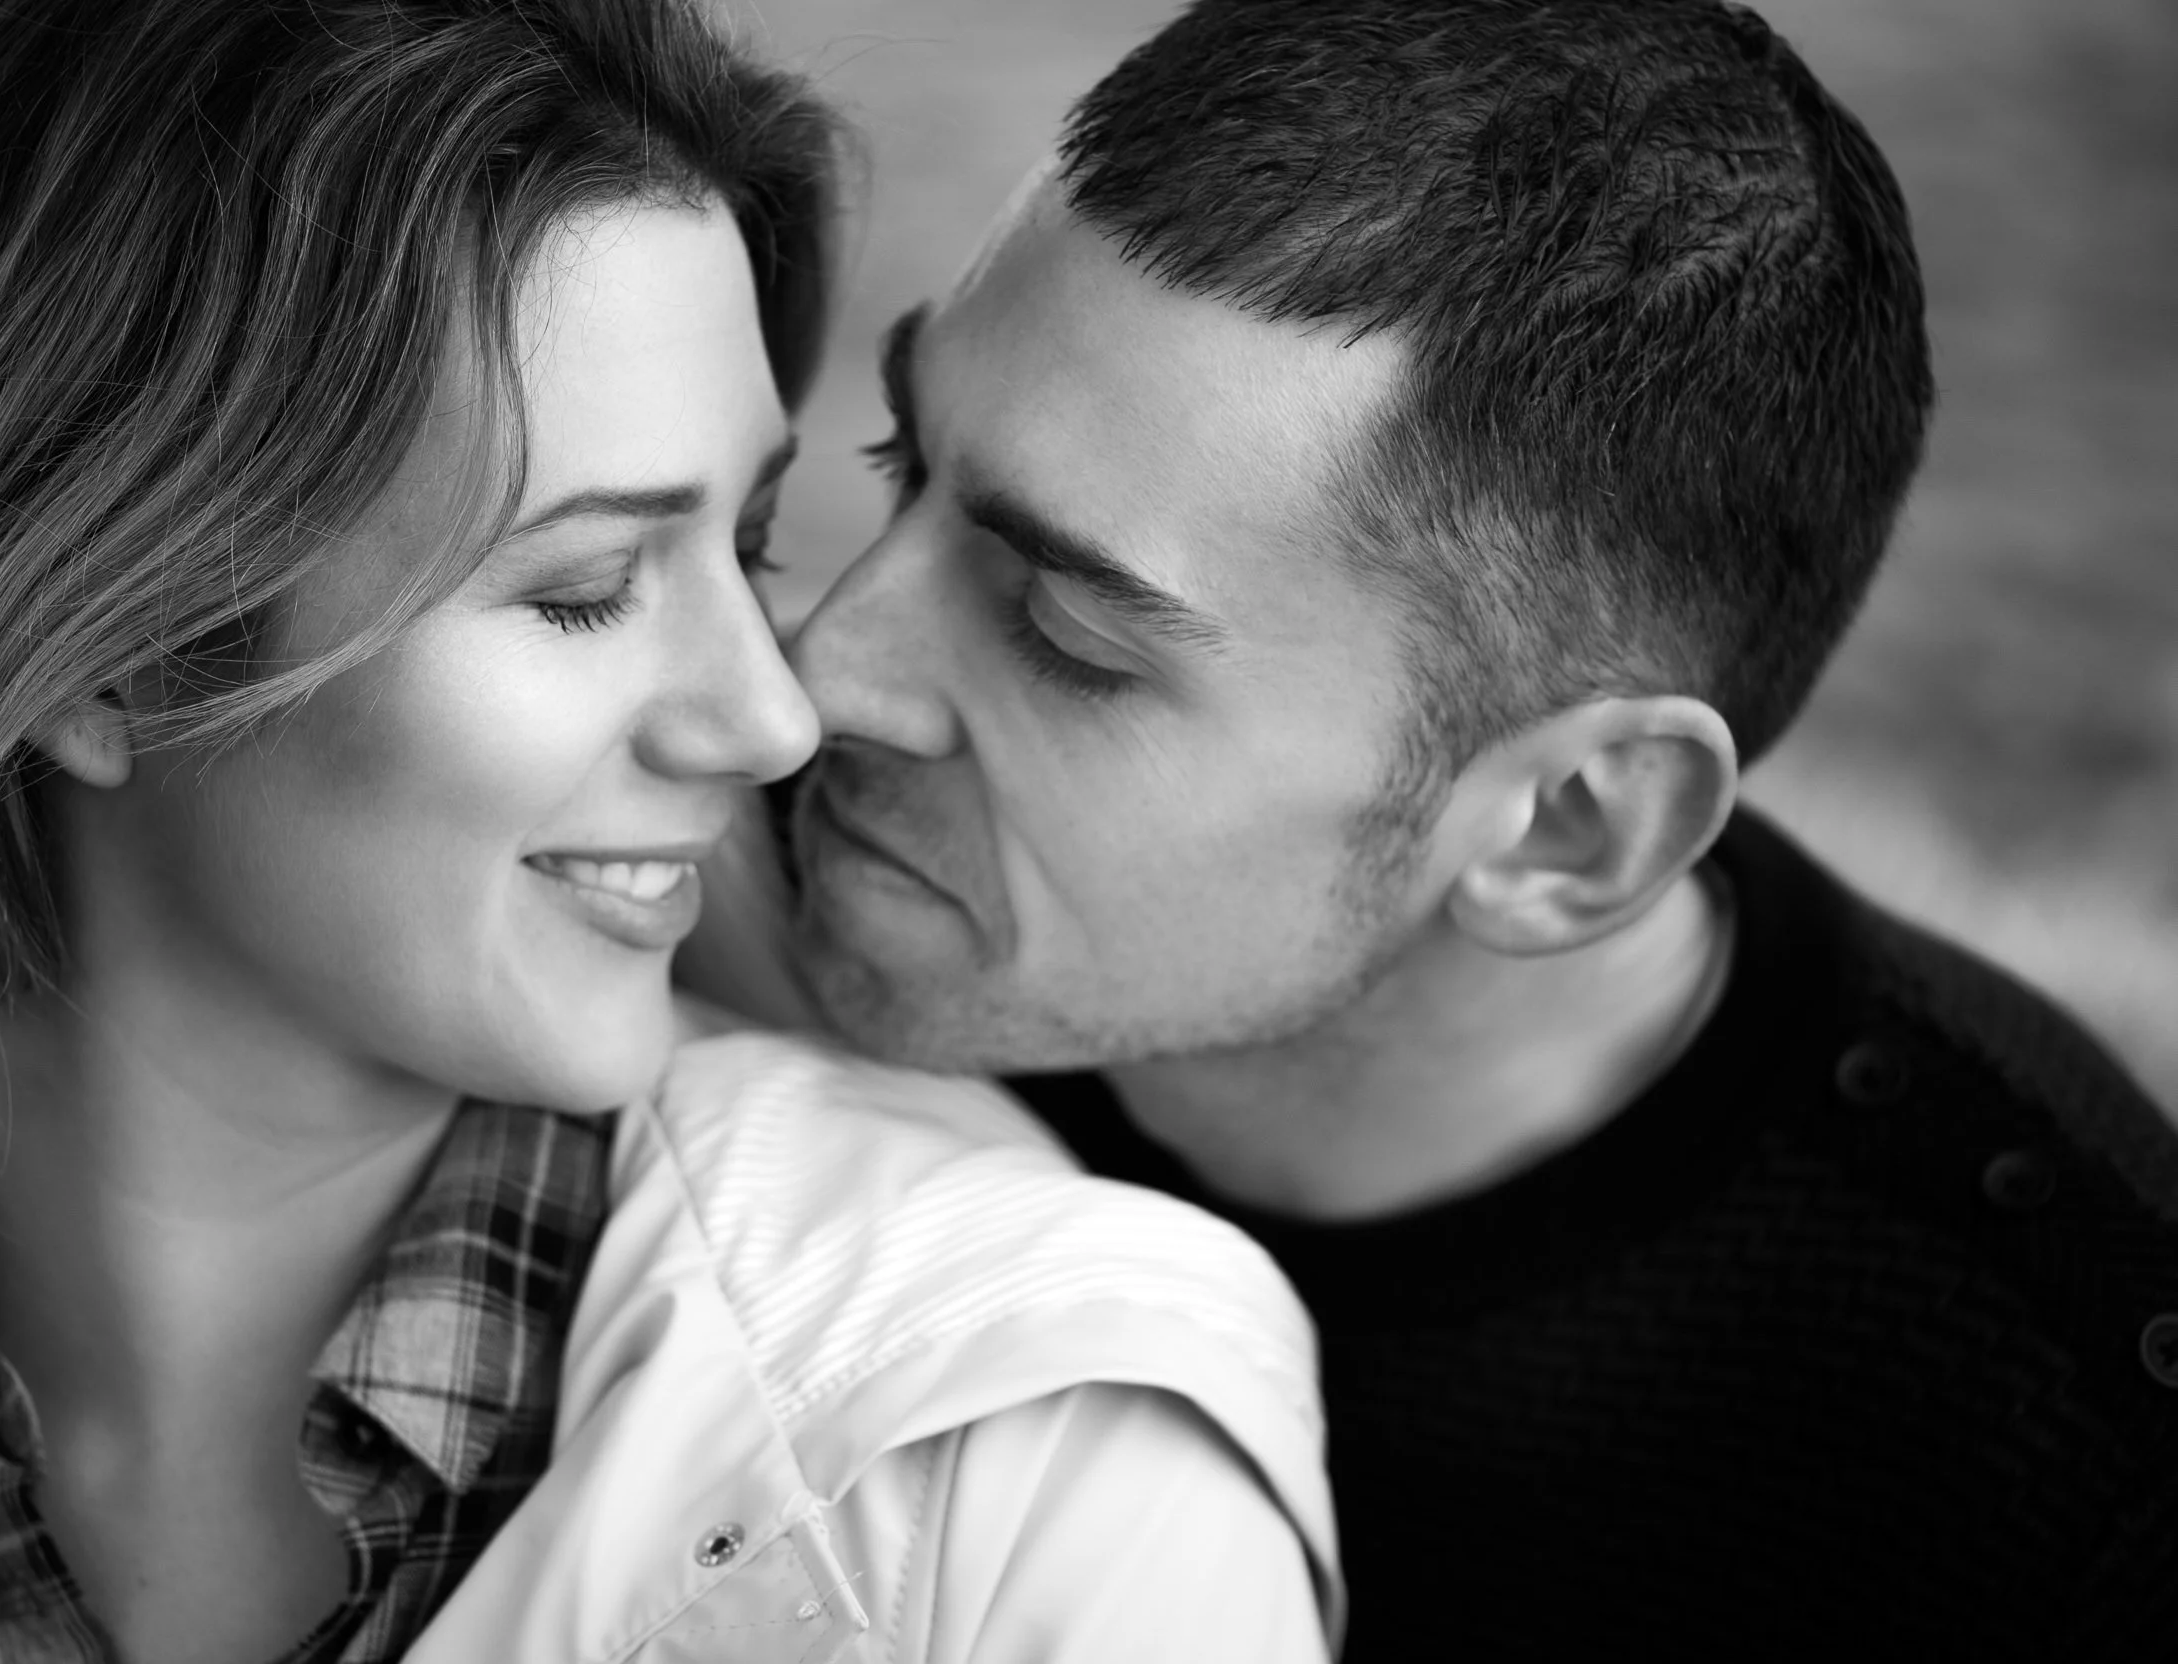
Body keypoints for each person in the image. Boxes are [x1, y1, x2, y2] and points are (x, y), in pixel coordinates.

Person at [0, 2, 1340, 1660]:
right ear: (91, 646)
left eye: (751, 546)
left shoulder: (1036, 1466)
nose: (772, 719)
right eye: (587, 590)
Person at [704, 0, 2178, 1657]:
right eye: (901, 463)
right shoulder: (669, 862)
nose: (817, 679)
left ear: (1567, 829)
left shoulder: (2070, 1476)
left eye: (1068, 634)